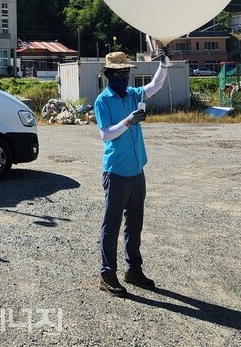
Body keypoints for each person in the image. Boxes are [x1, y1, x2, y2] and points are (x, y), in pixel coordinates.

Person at [94, 46, 169, 297]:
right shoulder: (102, 101)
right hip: (116, 171)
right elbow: (106, 134)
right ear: (108, 74)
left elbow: (155, 86)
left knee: (134, 223)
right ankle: (107, 273)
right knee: (112, 224)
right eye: (119, 73)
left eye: (126, 71)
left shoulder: (132, 94)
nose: (124, 76)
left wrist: (165, 65)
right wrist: (129, 121)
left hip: (137, 169)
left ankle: (133, 269)